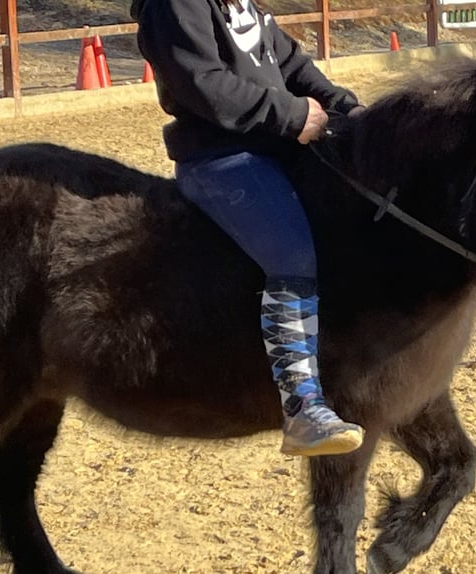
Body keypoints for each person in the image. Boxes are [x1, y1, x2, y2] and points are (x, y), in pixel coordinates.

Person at [132, 0, 365, 456]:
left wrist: (349, 111)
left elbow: (292, 65)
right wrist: (293, 116)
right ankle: (302, 409)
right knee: (292, 256)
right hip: (221, 158)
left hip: (276, 147)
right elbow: (202, 82)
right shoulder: (176, 4)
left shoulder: (241, 3)